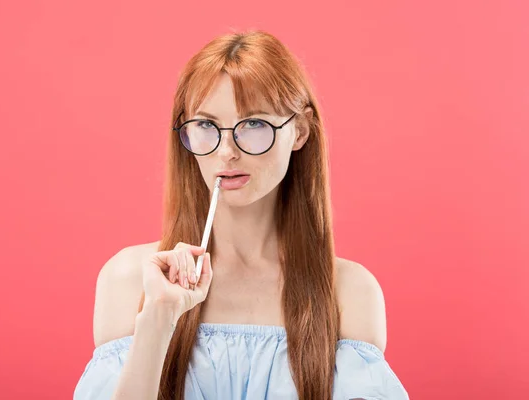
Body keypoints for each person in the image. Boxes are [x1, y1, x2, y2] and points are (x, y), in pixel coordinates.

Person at [73, 30, 409, 400]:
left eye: (253, 124)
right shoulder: (131, 280)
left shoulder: (348, 291)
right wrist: (158, 317)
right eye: (206, 126)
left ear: (300, 130)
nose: (227, 151)